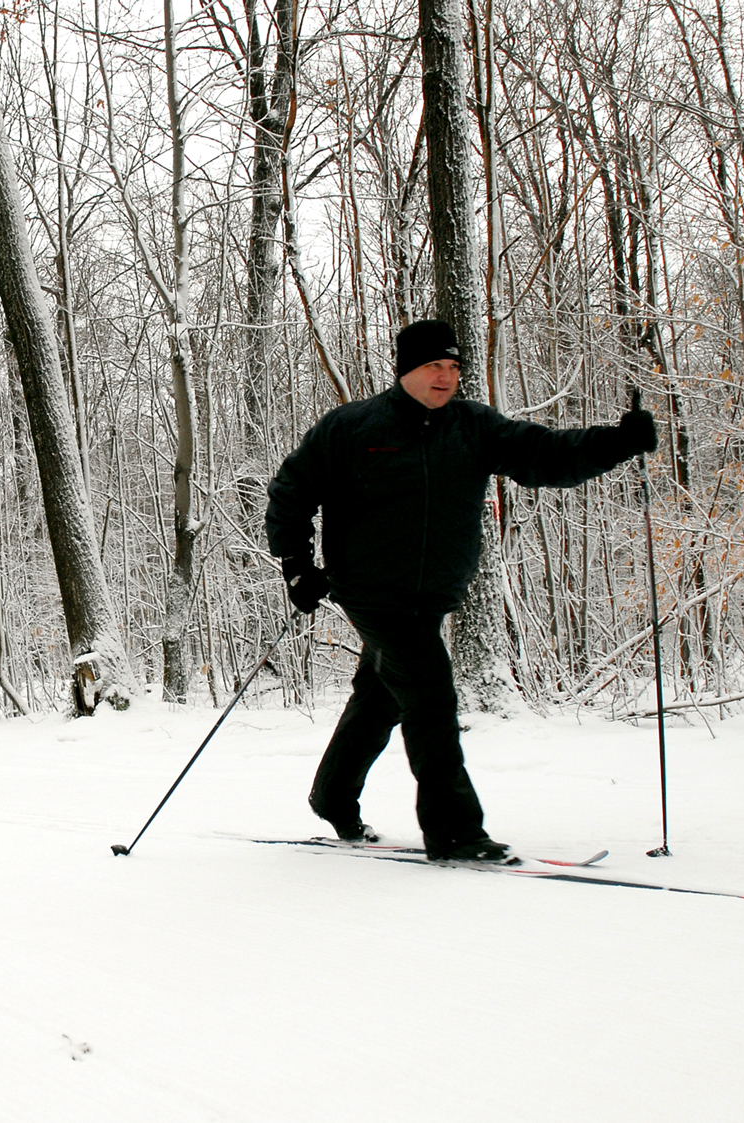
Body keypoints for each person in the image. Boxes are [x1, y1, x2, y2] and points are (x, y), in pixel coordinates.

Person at [265, 319, 656, 861]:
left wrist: (616, 443)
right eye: (434, 366)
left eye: (453, 367)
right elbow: (291, 492)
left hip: (435, 593)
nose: (446, 376)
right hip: (372, 590)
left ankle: (333, 797)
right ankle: (453, 832)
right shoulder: (352, 428)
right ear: (406, 370)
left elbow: (545, 455)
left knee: (380, 700)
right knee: (430, 699)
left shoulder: (473, 426)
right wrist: (297, 565)